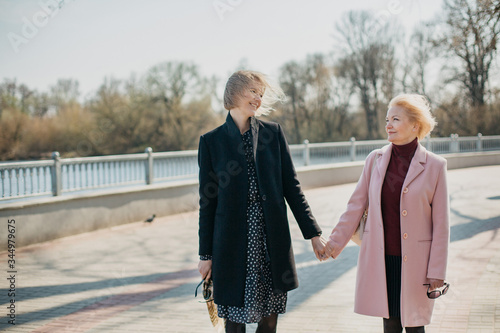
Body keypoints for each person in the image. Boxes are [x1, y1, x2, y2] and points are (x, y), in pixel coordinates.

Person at [197, 70, 327, 333]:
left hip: (271, 242)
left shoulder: (272, 134)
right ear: (234, 92)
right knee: (233, 320)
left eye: (260, 94)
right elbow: (207, 203)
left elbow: (292, 188)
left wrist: (314, 234)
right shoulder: (211, 142)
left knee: (269, 319)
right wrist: (205, 255)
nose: (258, 98)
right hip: (231, 246)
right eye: (252, 91)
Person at [323, 93, 450, 332]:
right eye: (387, 119)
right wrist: (333, 244)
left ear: (415, 125)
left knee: (415, 326)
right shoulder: (375, 160)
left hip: (417, 264)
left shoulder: (435, 166)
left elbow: (441, 225)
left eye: (395, 119)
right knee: (390, 325)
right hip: (384, 261)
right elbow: (355, 207)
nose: (388, 125)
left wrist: (437, 271)